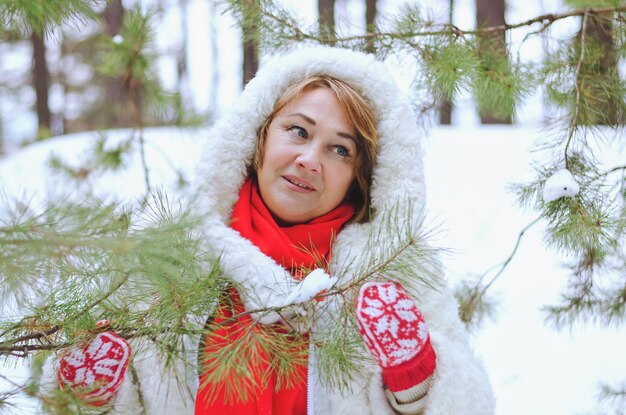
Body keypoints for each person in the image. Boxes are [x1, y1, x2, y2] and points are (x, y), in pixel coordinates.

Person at [43, 46, 494, 415]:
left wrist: (414, 381)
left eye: (340, 149)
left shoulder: (396, 270)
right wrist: (90, 397)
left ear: (360, 175)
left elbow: (472, 405)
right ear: (258, 136)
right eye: (298, 131)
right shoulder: (170, 250)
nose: (310, 159)